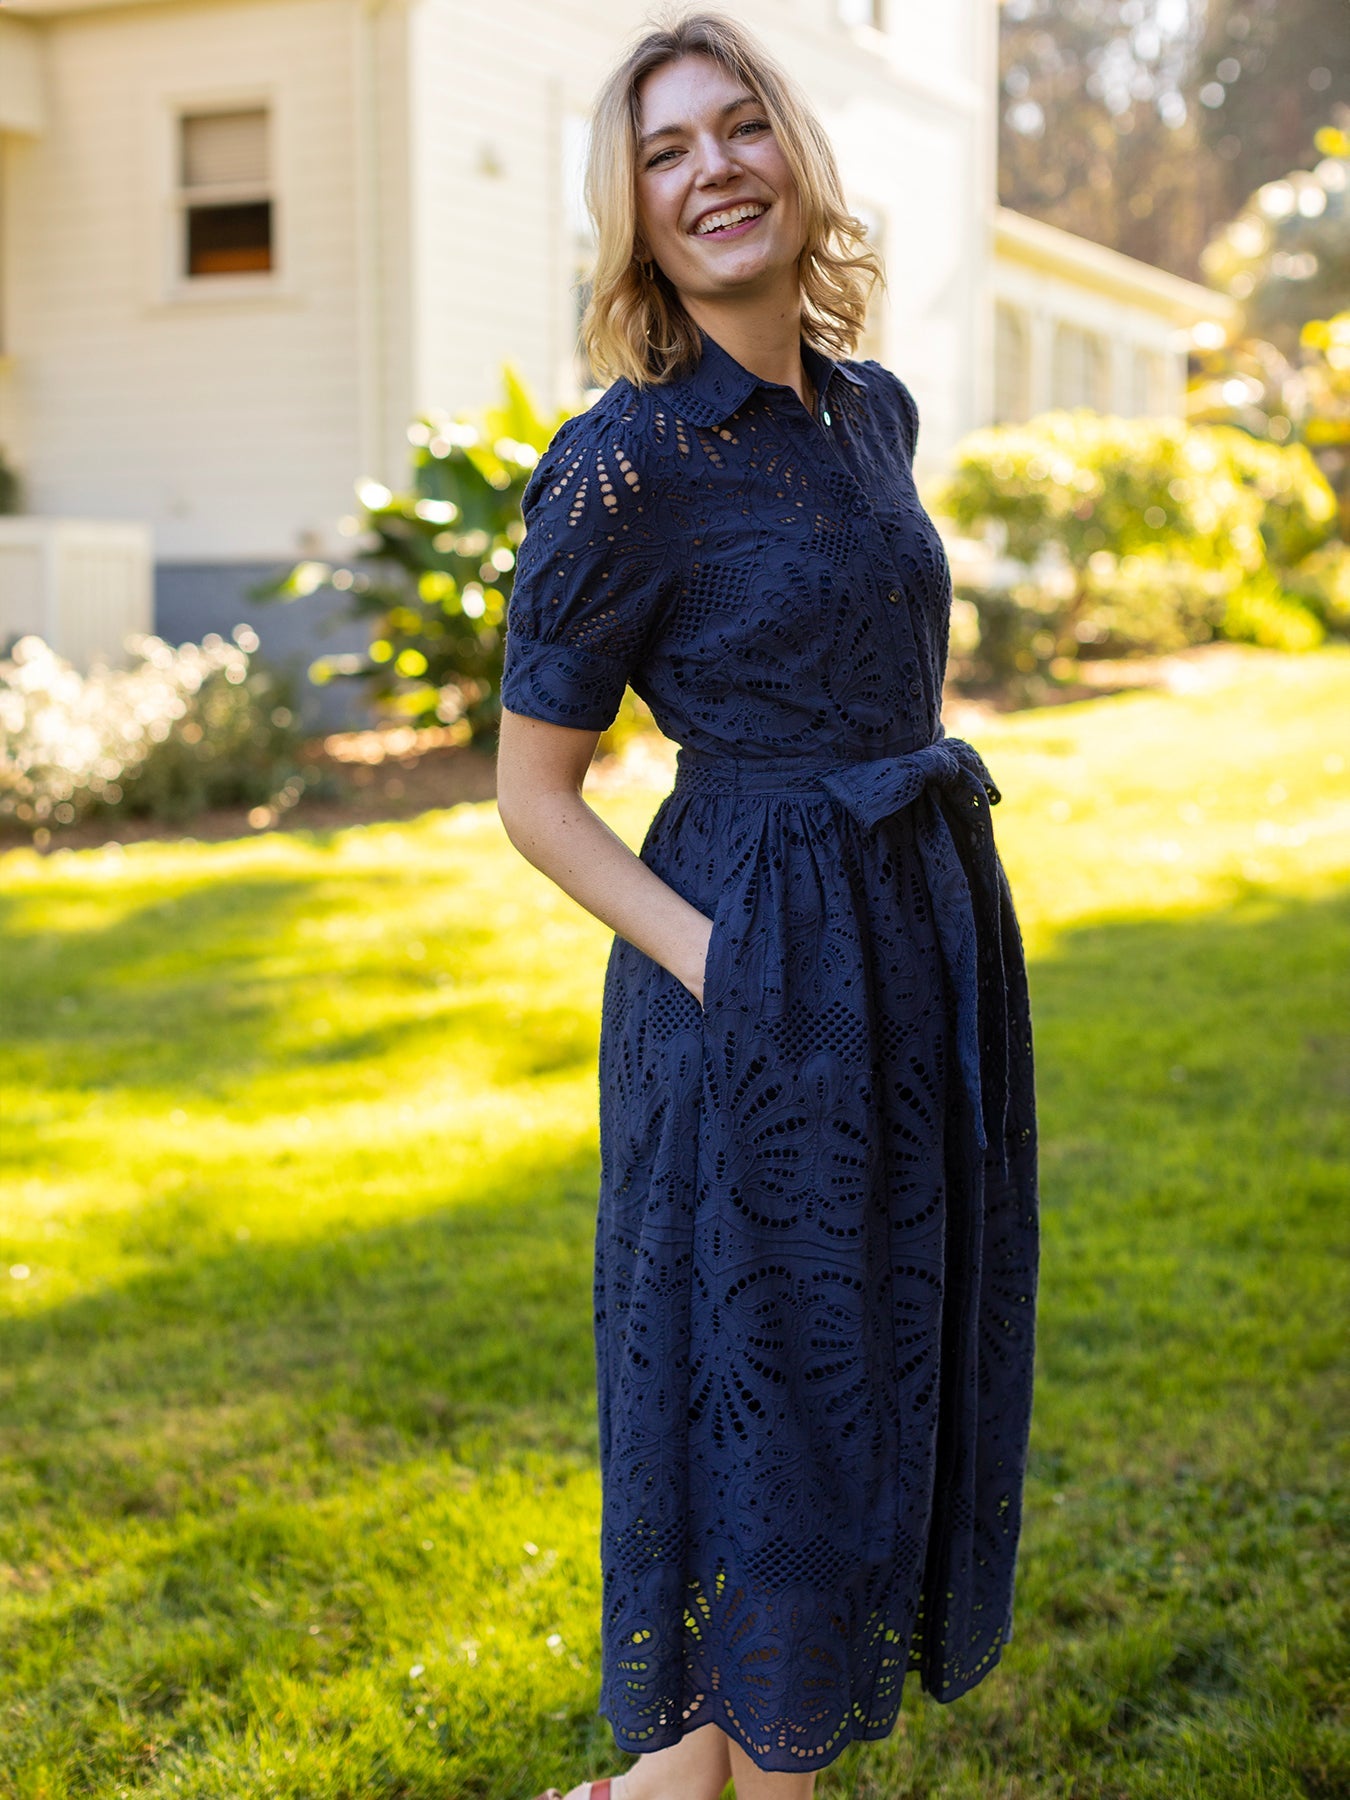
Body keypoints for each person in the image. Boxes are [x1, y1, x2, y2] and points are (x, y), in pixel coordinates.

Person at [495, 12, 1040, 1799]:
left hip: (912, 936)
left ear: (794, 159)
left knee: (863, 1378)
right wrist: (725, 965)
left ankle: (659, 1791)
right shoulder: (623, 461)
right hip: (748, 961)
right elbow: (533, 796)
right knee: (782, 1411)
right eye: (666, 152)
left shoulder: (865, 404)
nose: (712, 169)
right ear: (634, 213)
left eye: (740, 131)